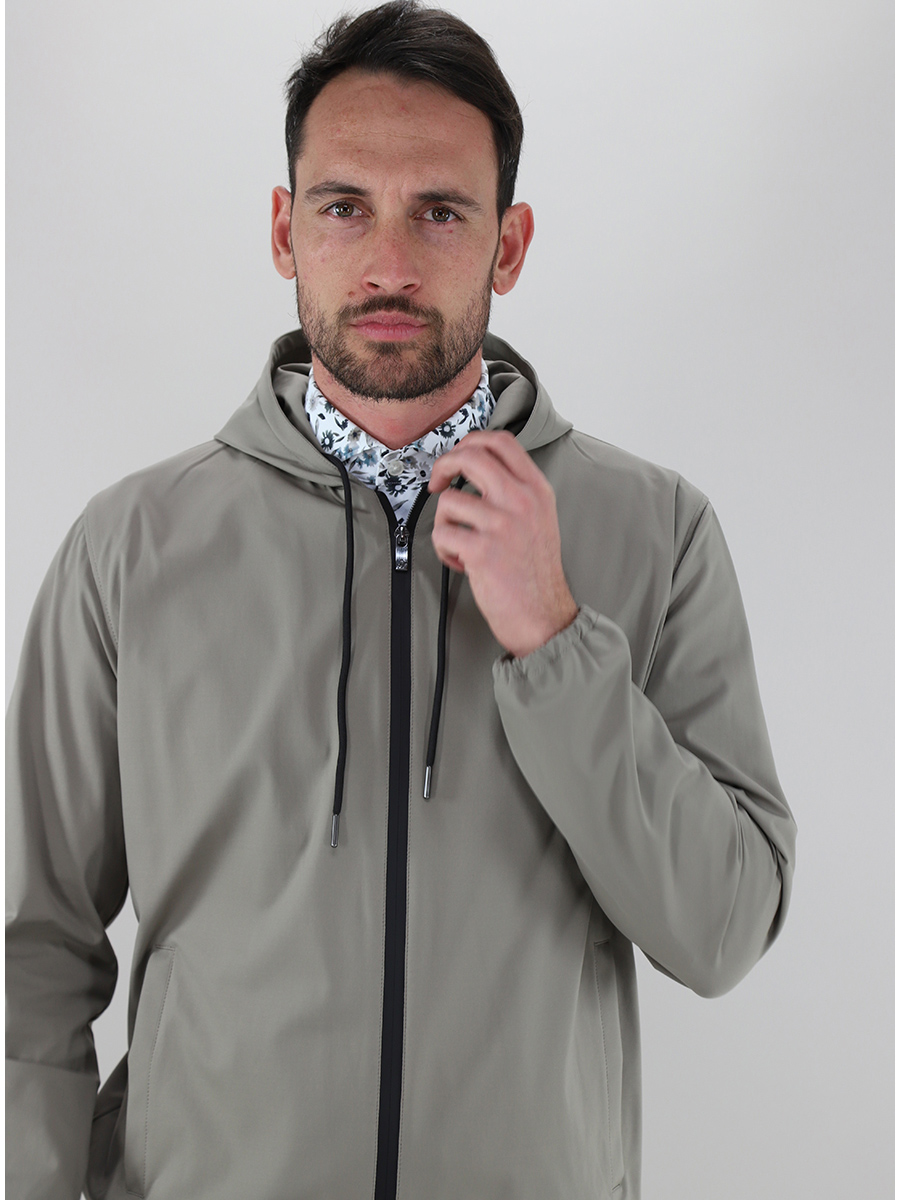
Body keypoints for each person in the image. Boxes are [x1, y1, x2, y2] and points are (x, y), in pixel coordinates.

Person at [5, 2, 797, 1197]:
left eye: (439, 211)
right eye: (343, 207)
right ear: (284, 230)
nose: (387, 264)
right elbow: (33, 956)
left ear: (509, 245)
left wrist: (557, 641)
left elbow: (723, 930)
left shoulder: (657, 532)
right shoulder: (131, 547)